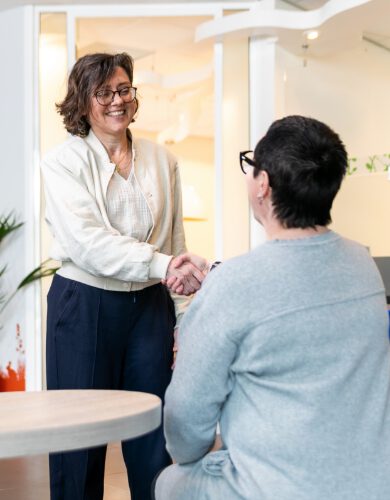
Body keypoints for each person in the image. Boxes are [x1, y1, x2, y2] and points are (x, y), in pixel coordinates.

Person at [154, 115, 390, 500]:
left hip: (280, 489)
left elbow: (185, 424)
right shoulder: (362, 264)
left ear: (262, 184)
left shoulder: (234, 284)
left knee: (171, 481)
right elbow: (293, 291)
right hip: (372, 483)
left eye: (251, 166)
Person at [41, 52, 207, 500]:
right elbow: (87, 243)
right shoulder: (62, 162)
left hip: (150, 308)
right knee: (80, 439)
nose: (117, 101)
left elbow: (174, 242)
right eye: (104, 92)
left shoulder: (161, 158)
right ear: (83, 101)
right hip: (83, 304)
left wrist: (184, 316)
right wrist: (163, 265)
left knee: (152, 435)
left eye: (124, 89)